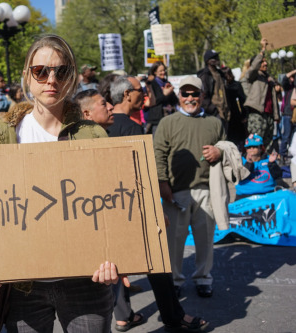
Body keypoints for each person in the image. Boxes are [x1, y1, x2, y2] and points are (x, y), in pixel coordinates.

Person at [0, 34, 124, 333]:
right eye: (41, 71)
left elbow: (113, 206)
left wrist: (116, 255)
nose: (51, 79)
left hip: (86, 279)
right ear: (26, 76)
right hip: (23, 285)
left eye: (61, 71)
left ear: (71, 77)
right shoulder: (1, 136)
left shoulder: (92, 135)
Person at [76, 88, 209, 333]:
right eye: (103, 104)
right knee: (155, 260)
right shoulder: (92, 140)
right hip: (120, 214)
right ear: (87, 113)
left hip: (111, 216)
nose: (109, 107)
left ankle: (125, 316)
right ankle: (173, 316)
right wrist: (153, 213)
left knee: (114, 265)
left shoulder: (92, 135)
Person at [154, 76, 225, 298]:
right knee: (174, 240)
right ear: (178, 95)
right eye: (185, 93)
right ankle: (175, 279)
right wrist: (163, 183)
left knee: (205, 238)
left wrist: (220, 151)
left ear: (203, 96)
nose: (190, 98)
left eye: (195, 93)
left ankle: (203, 277)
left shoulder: (215, 122)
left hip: (207, 189)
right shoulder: (168, 122)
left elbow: (227, 147)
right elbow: (158, 155)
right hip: (176, 191)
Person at [244, 38, 280, 152]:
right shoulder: (253, 76)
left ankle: (266, 167)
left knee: (268, 144)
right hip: (257, 115)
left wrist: (276, 116)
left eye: (265, 61)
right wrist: (263, 50)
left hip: (268, 116)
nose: (265, 63)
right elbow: (253, 67)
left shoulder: (269, 79)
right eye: (262, 61)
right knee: (255, 143)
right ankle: (254, 167)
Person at [235, 134, 282, 200]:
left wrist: (272, 164)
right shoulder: (240, 160)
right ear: (246, 149)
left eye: (254, 146)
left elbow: (278, 176)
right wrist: (249, 163)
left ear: (261, 148)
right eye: (249, 147)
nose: (251, 149)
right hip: (246, 196)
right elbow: (240, 177)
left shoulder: (269, 159)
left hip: (268, 194)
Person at [197, 50, 230, 128]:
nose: (217, 59)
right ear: (208, 61)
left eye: (217, 57)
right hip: (214, 114)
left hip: (225, 112)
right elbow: (204, 97)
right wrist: (214, 110)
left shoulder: (220, 74)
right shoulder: (205, 75)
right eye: (214, 58)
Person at [144, 61, 178, 134]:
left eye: (164, 70)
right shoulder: (151, 84)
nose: (163, 72)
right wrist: (165, 94)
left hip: (169, 117)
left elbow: (175, 101)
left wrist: (171, 92)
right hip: (157, 120)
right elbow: (154, 102)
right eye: (161, 71)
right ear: (155, 72)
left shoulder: (167, 83)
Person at [222, 67, 247, 149]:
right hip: (225, 114)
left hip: (235, 114)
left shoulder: (236, 85)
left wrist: (244, 115)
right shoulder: (221, 86)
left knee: (238, 138)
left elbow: (242, 100)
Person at [279, 69, 296, 163]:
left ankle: (292, 154)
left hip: (295, 116)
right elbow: (285, 77)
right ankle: (282, 155)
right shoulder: (288, 87)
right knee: (286, 136)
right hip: (288, 114)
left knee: (294, 136)